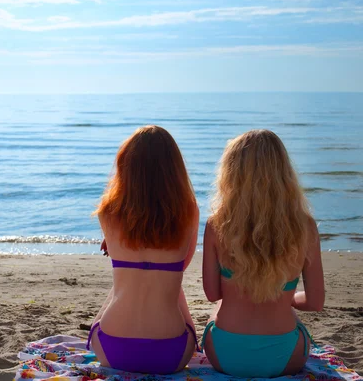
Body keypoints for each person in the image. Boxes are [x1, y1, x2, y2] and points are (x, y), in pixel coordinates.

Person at [201, 129, 325, 378]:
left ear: (232, 174)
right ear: (284, 173)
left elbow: (213, 294)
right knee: (289, 316)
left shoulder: (217, 225)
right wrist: (288, 299)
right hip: (286, 356)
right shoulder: (305, 227)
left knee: (218, 311)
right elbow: (315, 302)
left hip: (224, 354)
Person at [87, 125, 200, 374]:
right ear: (174, 169)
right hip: (172, 353)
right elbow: (180, 266)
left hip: (110, 349)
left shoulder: (108, 212)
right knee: (170, 283)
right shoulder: (189, 210)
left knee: (125, 282)